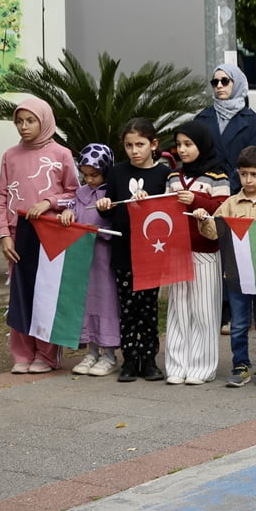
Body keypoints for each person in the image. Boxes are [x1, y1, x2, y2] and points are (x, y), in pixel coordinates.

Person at [0, 98, 79, 374]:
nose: (23, 127)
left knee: (45, 292)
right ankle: (22, 353)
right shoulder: (9, 155)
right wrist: (4, 234)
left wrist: (49, 202)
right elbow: (2, 196)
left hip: (49, 233)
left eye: (30, 120)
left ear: (44, 120)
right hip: (18, 235)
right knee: (20, 292)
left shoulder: (62, 154)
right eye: (19, 121)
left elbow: (74, 195)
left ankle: (46, 353)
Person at [195, 146, 256, 389]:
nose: (248, 179)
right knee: (238, 324)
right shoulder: (229, 205)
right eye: (244, 174)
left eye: (254, 174)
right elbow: (213, 231)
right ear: (238, 173)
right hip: (237, 274)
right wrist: (202, 219)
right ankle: (240, 365)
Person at [97, 118, 172, 382]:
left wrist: (150, 204)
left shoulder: (163, 175)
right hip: (123, 250)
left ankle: (149, 359)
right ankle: (129, 359)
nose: (134, 151)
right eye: (129, 145)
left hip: (151, 253)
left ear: (154, 144)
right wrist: (104, 204)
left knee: (148, 307)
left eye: (140, 144)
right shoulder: (117, 172)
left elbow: (168, 212)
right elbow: (109, 204)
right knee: (127, 308)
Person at [162, 122, 231, 385]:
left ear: (201, 145)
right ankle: (176, 366)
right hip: (177, 251)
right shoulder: (172, 177)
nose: (183, 150)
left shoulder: (217, 176)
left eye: (188, 144)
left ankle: (202, 367)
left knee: (203, 310)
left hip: (205, 249)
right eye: (179, 145)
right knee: (178, 310)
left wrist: (198, 201)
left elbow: (223, 207)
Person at [71, 143, 120, 377]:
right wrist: (67, 215)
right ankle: (91, 351)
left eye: (95, 174)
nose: (89, 180)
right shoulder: (79, 195)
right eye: (85, 175)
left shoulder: (113, 193)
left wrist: (98, 231)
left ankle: (109, 354)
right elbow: (73, 213)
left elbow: (117, 226)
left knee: (106, 302)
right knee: (87, 303)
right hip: (84, 261)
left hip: (104, 259)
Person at [194, 63, 256, 195]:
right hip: (208, 190)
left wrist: (229, 186)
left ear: (236, 83)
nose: (219, 86)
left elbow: (253, 159)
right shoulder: (201, 119)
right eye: (215, 82)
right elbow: (196, 158)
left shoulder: (252, 121)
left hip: (241, 190)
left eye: (225, 81)